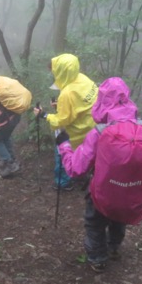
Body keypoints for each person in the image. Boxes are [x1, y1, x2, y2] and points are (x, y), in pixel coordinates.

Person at [56, 77, 142, 272]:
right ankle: (113, 247)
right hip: (132, 194)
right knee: (120, 217)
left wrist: (64, 145)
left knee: (95, 223)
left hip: (102, 192)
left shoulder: (100, 132)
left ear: (101, 101)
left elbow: (75, 169)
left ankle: (97, 259)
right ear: (127, 98)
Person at [33, 54, 97, 190]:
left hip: (76, 132)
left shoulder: (67, 93)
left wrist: (43, 115)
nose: (53, 74)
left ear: (61, 71)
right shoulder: (83, 79)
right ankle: (83, 173)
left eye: (55, 71)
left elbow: (61, 121)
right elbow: (81, 104)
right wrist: (60, 106)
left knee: (62, 153)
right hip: (92, 128)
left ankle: (63, 182)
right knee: (86, 153)